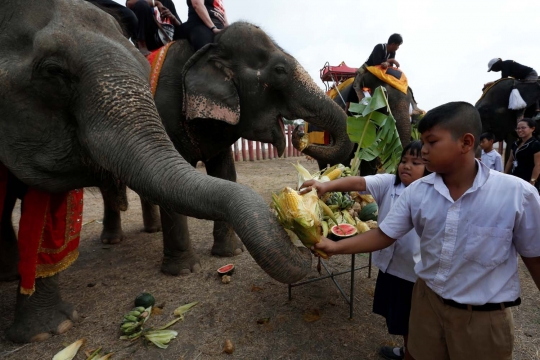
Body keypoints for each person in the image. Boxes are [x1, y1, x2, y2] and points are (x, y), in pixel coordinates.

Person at [311, 102, 540, 360]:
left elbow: (535, 257)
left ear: (465, 143)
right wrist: (335, 246)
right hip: (426, 304)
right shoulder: (417, 192)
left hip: (482, 319)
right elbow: (384, 234)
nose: (425, 150)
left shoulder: (518, 195)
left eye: (431, 142)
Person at [302, 141, 429, 360]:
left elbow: (385, 236)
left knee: (414, 321)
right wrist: (326, 185)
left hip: (414, 273)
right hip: (391, 267)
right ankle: (408, 350)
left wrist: (336, 247)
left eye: (415, 163)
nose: (406, 166)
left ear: (430, 168)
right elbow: (358, 181)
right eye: (404, 161)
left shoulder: (431, 194)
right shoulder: (389, 183)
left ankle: (413, 353)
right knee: (399, 318)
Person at [504, 118, 540, 191]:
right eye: (518, 128)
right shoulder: (515, 144)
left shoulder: (535, 144)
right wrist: (505, 175)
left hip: (528, 179)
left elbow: (538, 165)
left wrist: (532, 182)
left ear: (532, 129)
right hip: (515, 177)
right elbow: (510, 161)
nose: (520, 130)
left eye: (523, 128)